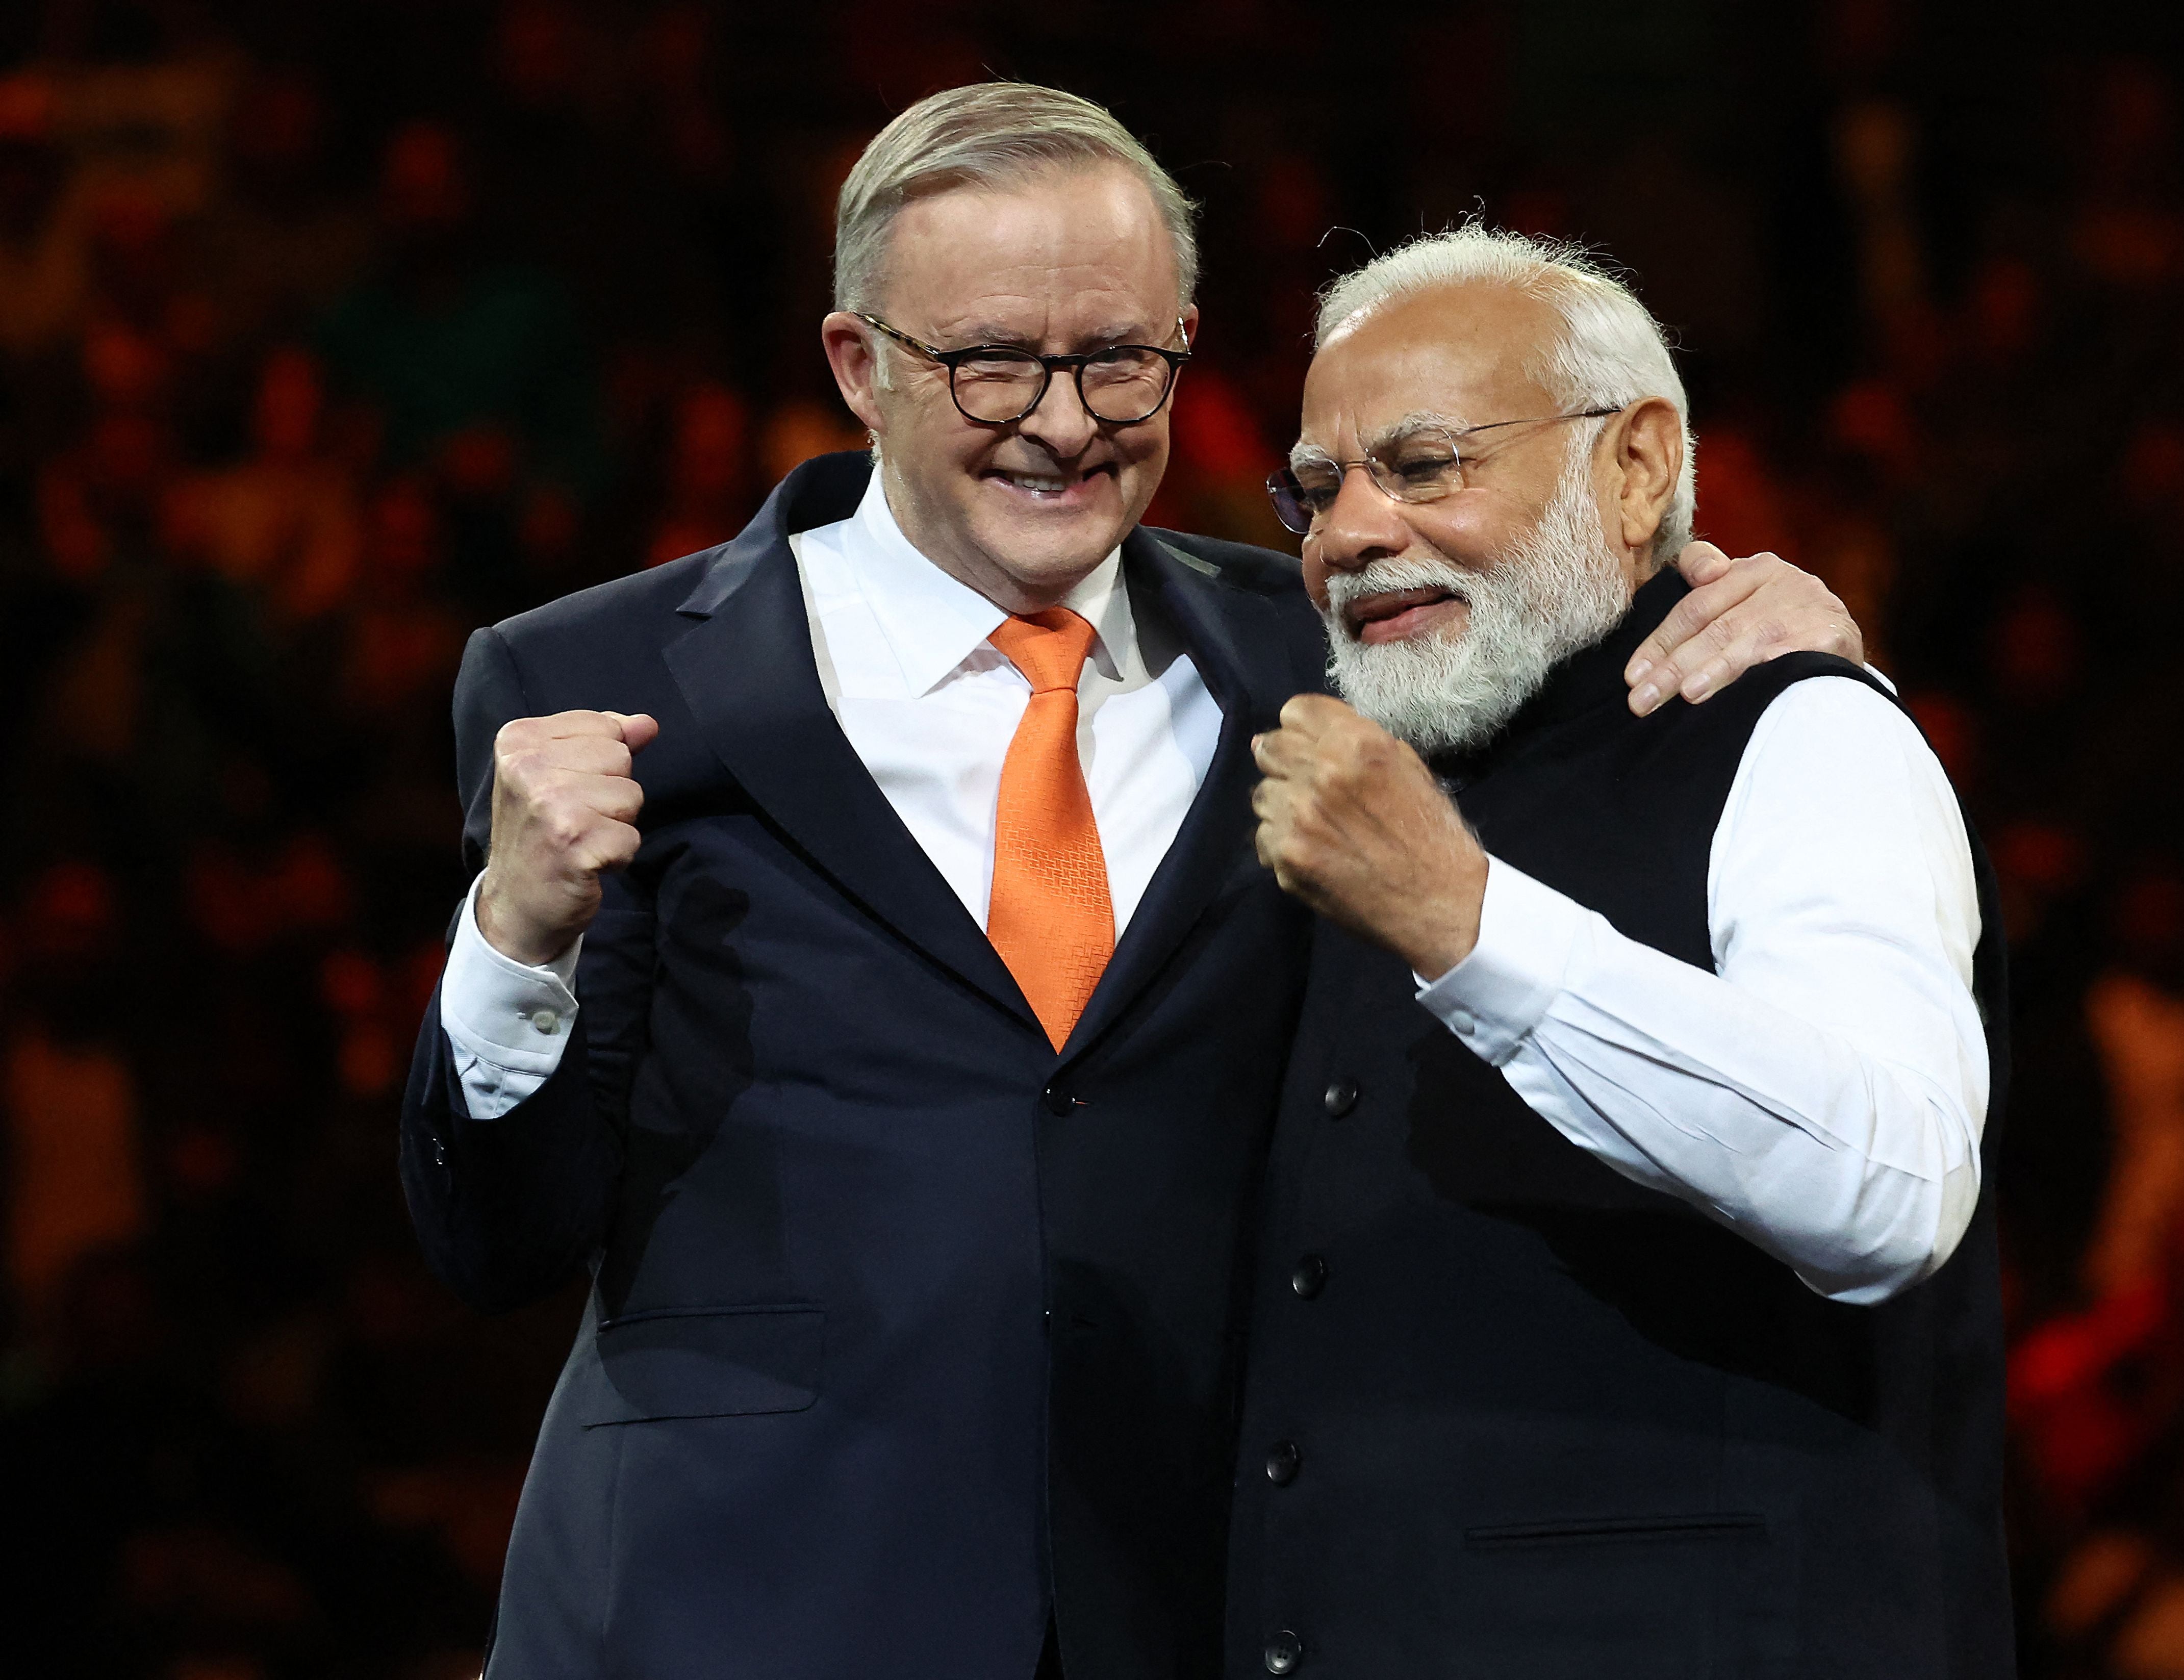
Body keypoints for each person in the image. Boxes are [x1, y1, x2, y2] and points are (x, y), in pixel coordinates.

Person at [398, 85, 1861, 1679]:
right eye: (990, 363)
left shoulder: (1319, 650)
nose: (1065, 417)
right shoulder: (601, 679)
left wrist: (1752, 617)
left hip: (1191, 1600)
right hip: (733, 1599)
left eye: (1118, 359)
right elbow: (500, 1242)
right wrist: (515, 936)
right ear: (857, 366)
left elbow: (1567, 656)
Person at [1237, 226, 2009, 1678]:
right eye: (1321, 487)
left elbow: (1891, 1181)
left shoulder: (1804, 732)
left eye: (1423, 464)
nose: (1348, 534)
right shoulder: (1348, 752)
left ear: (1640, 465)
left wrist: (1472, 925)